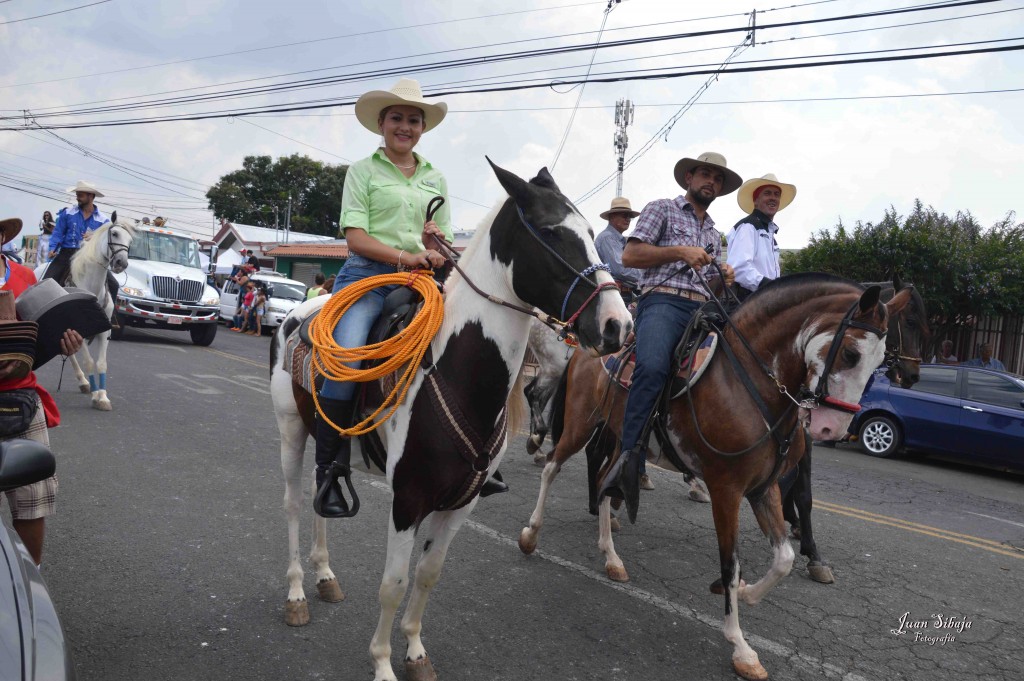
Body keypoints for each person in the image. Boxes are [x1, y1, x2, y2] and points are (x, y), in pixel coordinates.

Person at [313, 77, 458, 518]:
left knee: (462, 348)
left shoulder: (436, 177)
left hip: (419, 282)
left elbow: (444, 244)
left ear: (422, 128)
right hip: (367, 278)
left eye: (414, 120)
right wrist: (405, 256)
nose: (405, 127)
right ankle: (329, 473)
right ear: (382, 123)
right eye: (397, 118)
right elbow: (355, 238)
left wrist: (434, 245)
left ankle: (469, 459)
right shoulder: (363, 171)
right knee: (348, 358)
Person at [598, 151, 738, 521]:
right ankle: (629, 458)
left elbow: (709, 284)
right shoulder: (662, 209)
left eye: (718, 179)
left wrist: (722, 278)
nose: (711, 182)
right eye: (705, 174)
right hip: (662, 301)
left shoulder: (715, 233)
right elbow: (631, 256)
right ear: (689, 178)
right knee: (653, 367)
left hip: (702, 309)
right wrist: (680, 251)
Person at [0, 217, 84, 565]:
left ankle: (30, 577)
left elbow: (40, 339)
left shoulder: (26, 277)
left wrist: (64, 342)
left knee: (33, 498)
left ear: (2, 236)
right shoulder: (67, 217)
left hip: (21, 397)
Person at [45, 181, 120, 325]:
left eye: (81, 195)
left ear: (91, 196)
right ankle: (46, 315)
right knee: (47, 280)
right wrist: (52, 248)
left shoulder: (103, 220)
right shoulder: (68, 213)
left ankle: (108, 318)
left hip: (90, 257)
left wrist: (94, 237)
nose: (77, 197)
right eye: (77, 194)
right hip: (67, 253)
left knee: (114, 285)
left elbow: (105, 241)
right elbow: (58, 233)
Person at [726, 173, 797, 302]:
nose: (773, 198)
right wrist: (771, 287)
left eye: (777, 194)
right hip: (749, 301)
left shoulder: (769, 234)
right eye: (767, 193)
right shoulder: (748, 226)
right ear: (755, 200)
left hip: (765, 300)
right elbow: (739, 268)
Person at [594, 197, 643, 305]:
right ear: (612, 217)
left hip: (620, 293)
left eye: (630, 217)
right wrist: (646, 275)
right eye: (624, 215)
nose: (628, 219)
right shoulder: (608, 238)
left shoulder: (616, 239)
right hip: (615, 294)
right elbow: (621, 270)